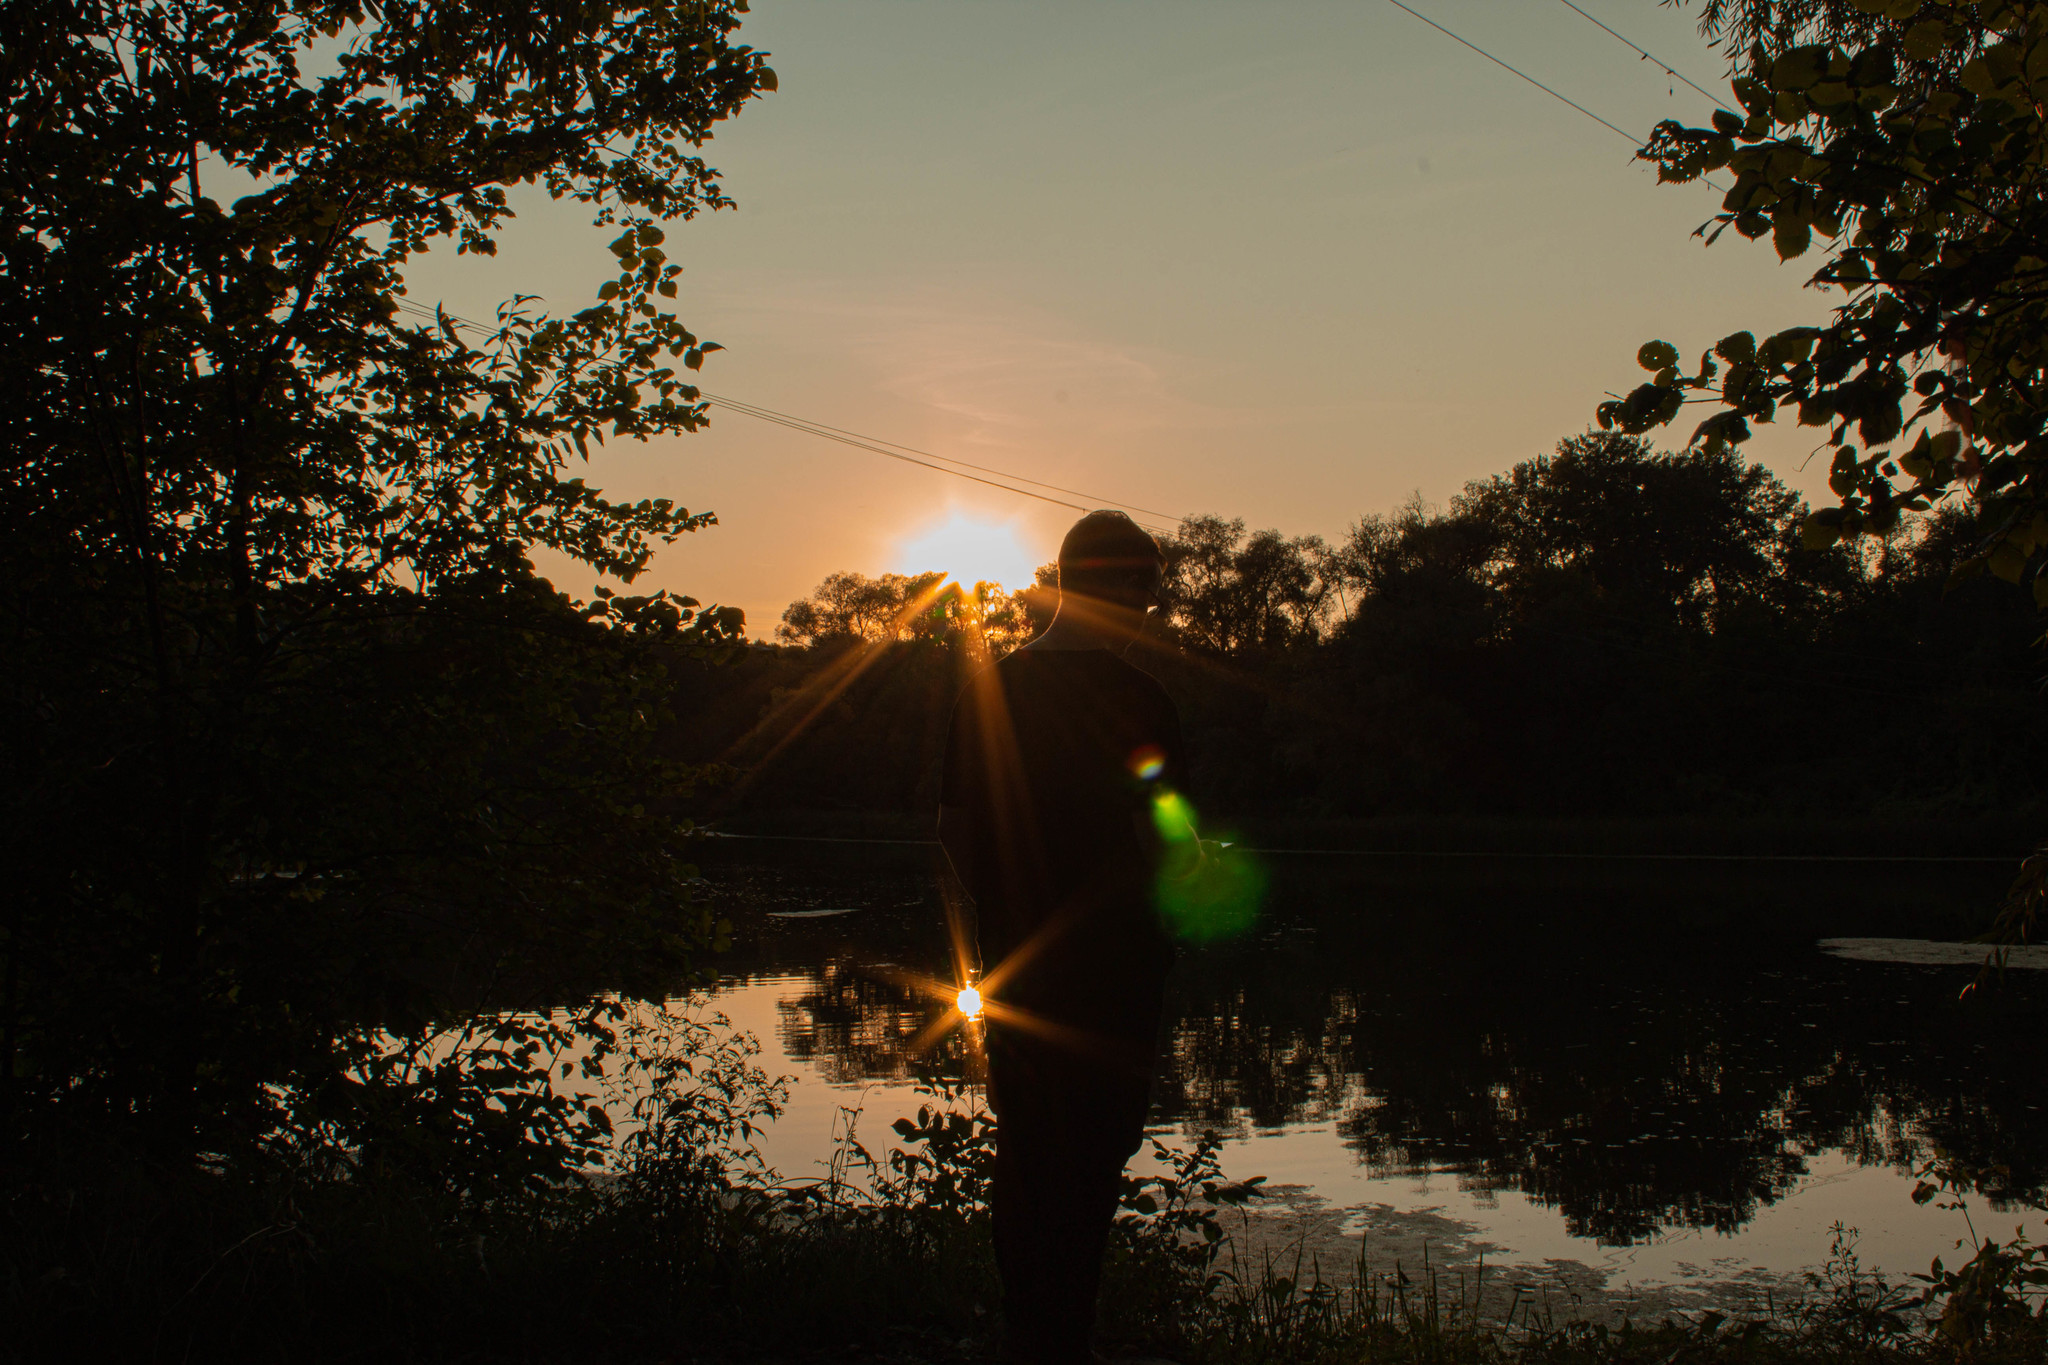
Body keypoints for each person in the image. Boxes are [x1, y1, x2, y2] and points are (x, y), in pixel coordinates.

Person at [938, 509, 1193, 1365]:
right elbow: (1167, 842)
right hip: (1118, 971)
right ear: (1104, 584)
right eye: (1143, 588)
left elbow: (956, 828)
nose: (1150, 608)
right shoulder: (1141, 701)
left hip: (1018, 966)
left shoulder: (994, 687)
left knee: (1029, 1146)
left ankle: (1029, 1330)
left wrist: (1011, 909)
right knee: (1095, 1149)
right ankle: (1065, 1334)